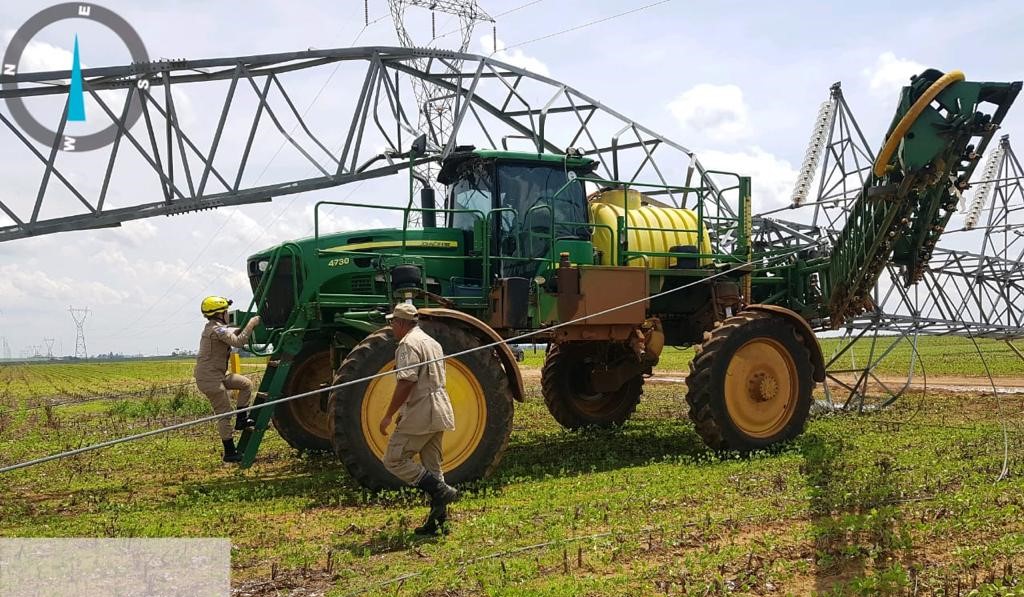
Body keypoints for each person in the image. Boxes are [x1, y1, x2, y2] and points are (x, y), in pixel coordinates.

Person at [378, 303, 458, 536]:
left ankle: (439, 490)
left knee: (393, 459)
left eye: (393, 322)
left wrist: (388, 414)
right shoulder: (432, 342)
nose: (392, 326)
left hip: (422, 410)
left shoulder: (407, 345)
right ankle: (438, 522)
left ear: (402, 323)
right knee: (433, 465)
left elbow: (407, 381)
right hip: (440, 407)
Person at [194, 296, 261, 463]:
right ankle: (230, 452)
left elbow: (232, 337)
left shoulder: (215, 328)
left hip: (218, 375)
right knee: (224, 414)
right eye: (225, 312)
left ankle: (242, 419)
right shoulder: (217, 330)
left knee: (245, 384)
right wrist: (252, 323)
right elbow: (238, 342)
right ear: (220, 314)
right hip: (210, 379)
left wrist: (243, 327)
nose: (227, 315)